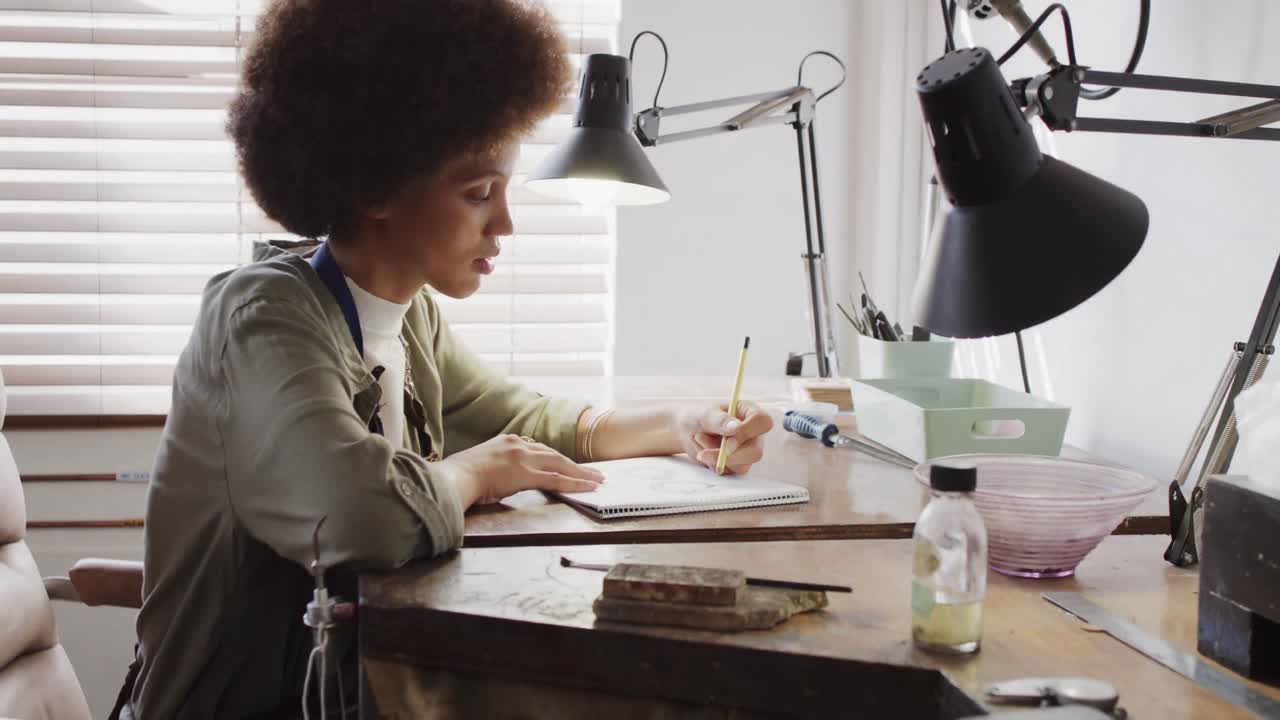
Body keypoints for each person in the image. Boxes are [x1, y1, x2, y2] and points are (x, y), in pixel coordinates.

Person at [116, 1, 774, 717]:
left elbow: (520, 418)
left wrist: (681, 425)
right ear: (375, 186)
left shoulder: (408, 314)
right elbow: (355, 514)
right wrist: (474, 471)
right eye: (477, 193)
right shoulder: (262, 322)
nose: (505, 224)